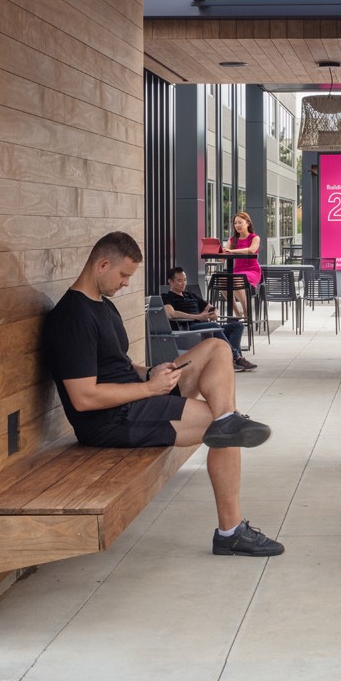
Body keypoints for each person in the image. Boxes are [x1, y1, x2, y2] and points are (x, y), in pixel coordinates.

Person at [45, 230, 283, 557]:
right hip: (111, 419)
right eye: (123, 275)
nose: (126, 283)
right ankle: (231, 531)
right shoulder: (73, 317)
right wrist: (147, 388)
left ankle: (227, 416)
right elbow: (83, 398)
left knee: (216, 348)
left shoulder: (103, 306)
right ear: (102, 265)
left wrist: (152, 373)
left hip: (138, 396)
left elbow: (120, 365)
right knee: (225, 432)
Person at [163, 264, 255, 372]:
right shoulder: (166, 297)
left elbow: (211, 307)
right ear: (170, 282)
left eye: (185, 280)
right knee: (214, 325)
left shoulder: (191, 295)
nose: (183, 283)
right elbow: (171, 314)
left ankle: (231, 360)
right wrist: (197, 316)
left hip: (203, 324)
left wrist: (214, 313)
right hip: (188, 327)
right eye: (179, 280)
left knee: (237, 326)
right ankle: (236, 357)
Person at [215, 210, 261, 323]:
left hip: (252, 271)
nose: (237, 225)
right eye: (235, 223)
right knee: (221, 281)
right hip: (237, 271)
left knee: (236, 279)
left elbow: (251, 250)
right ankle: (237, 312)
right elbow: (223, 257)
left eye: (240, 222)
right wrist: (221, 252)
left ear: (248, 223)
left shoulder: (254, 238)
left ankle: (246, 312)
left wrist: (231, 251)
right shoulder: (232, 240)